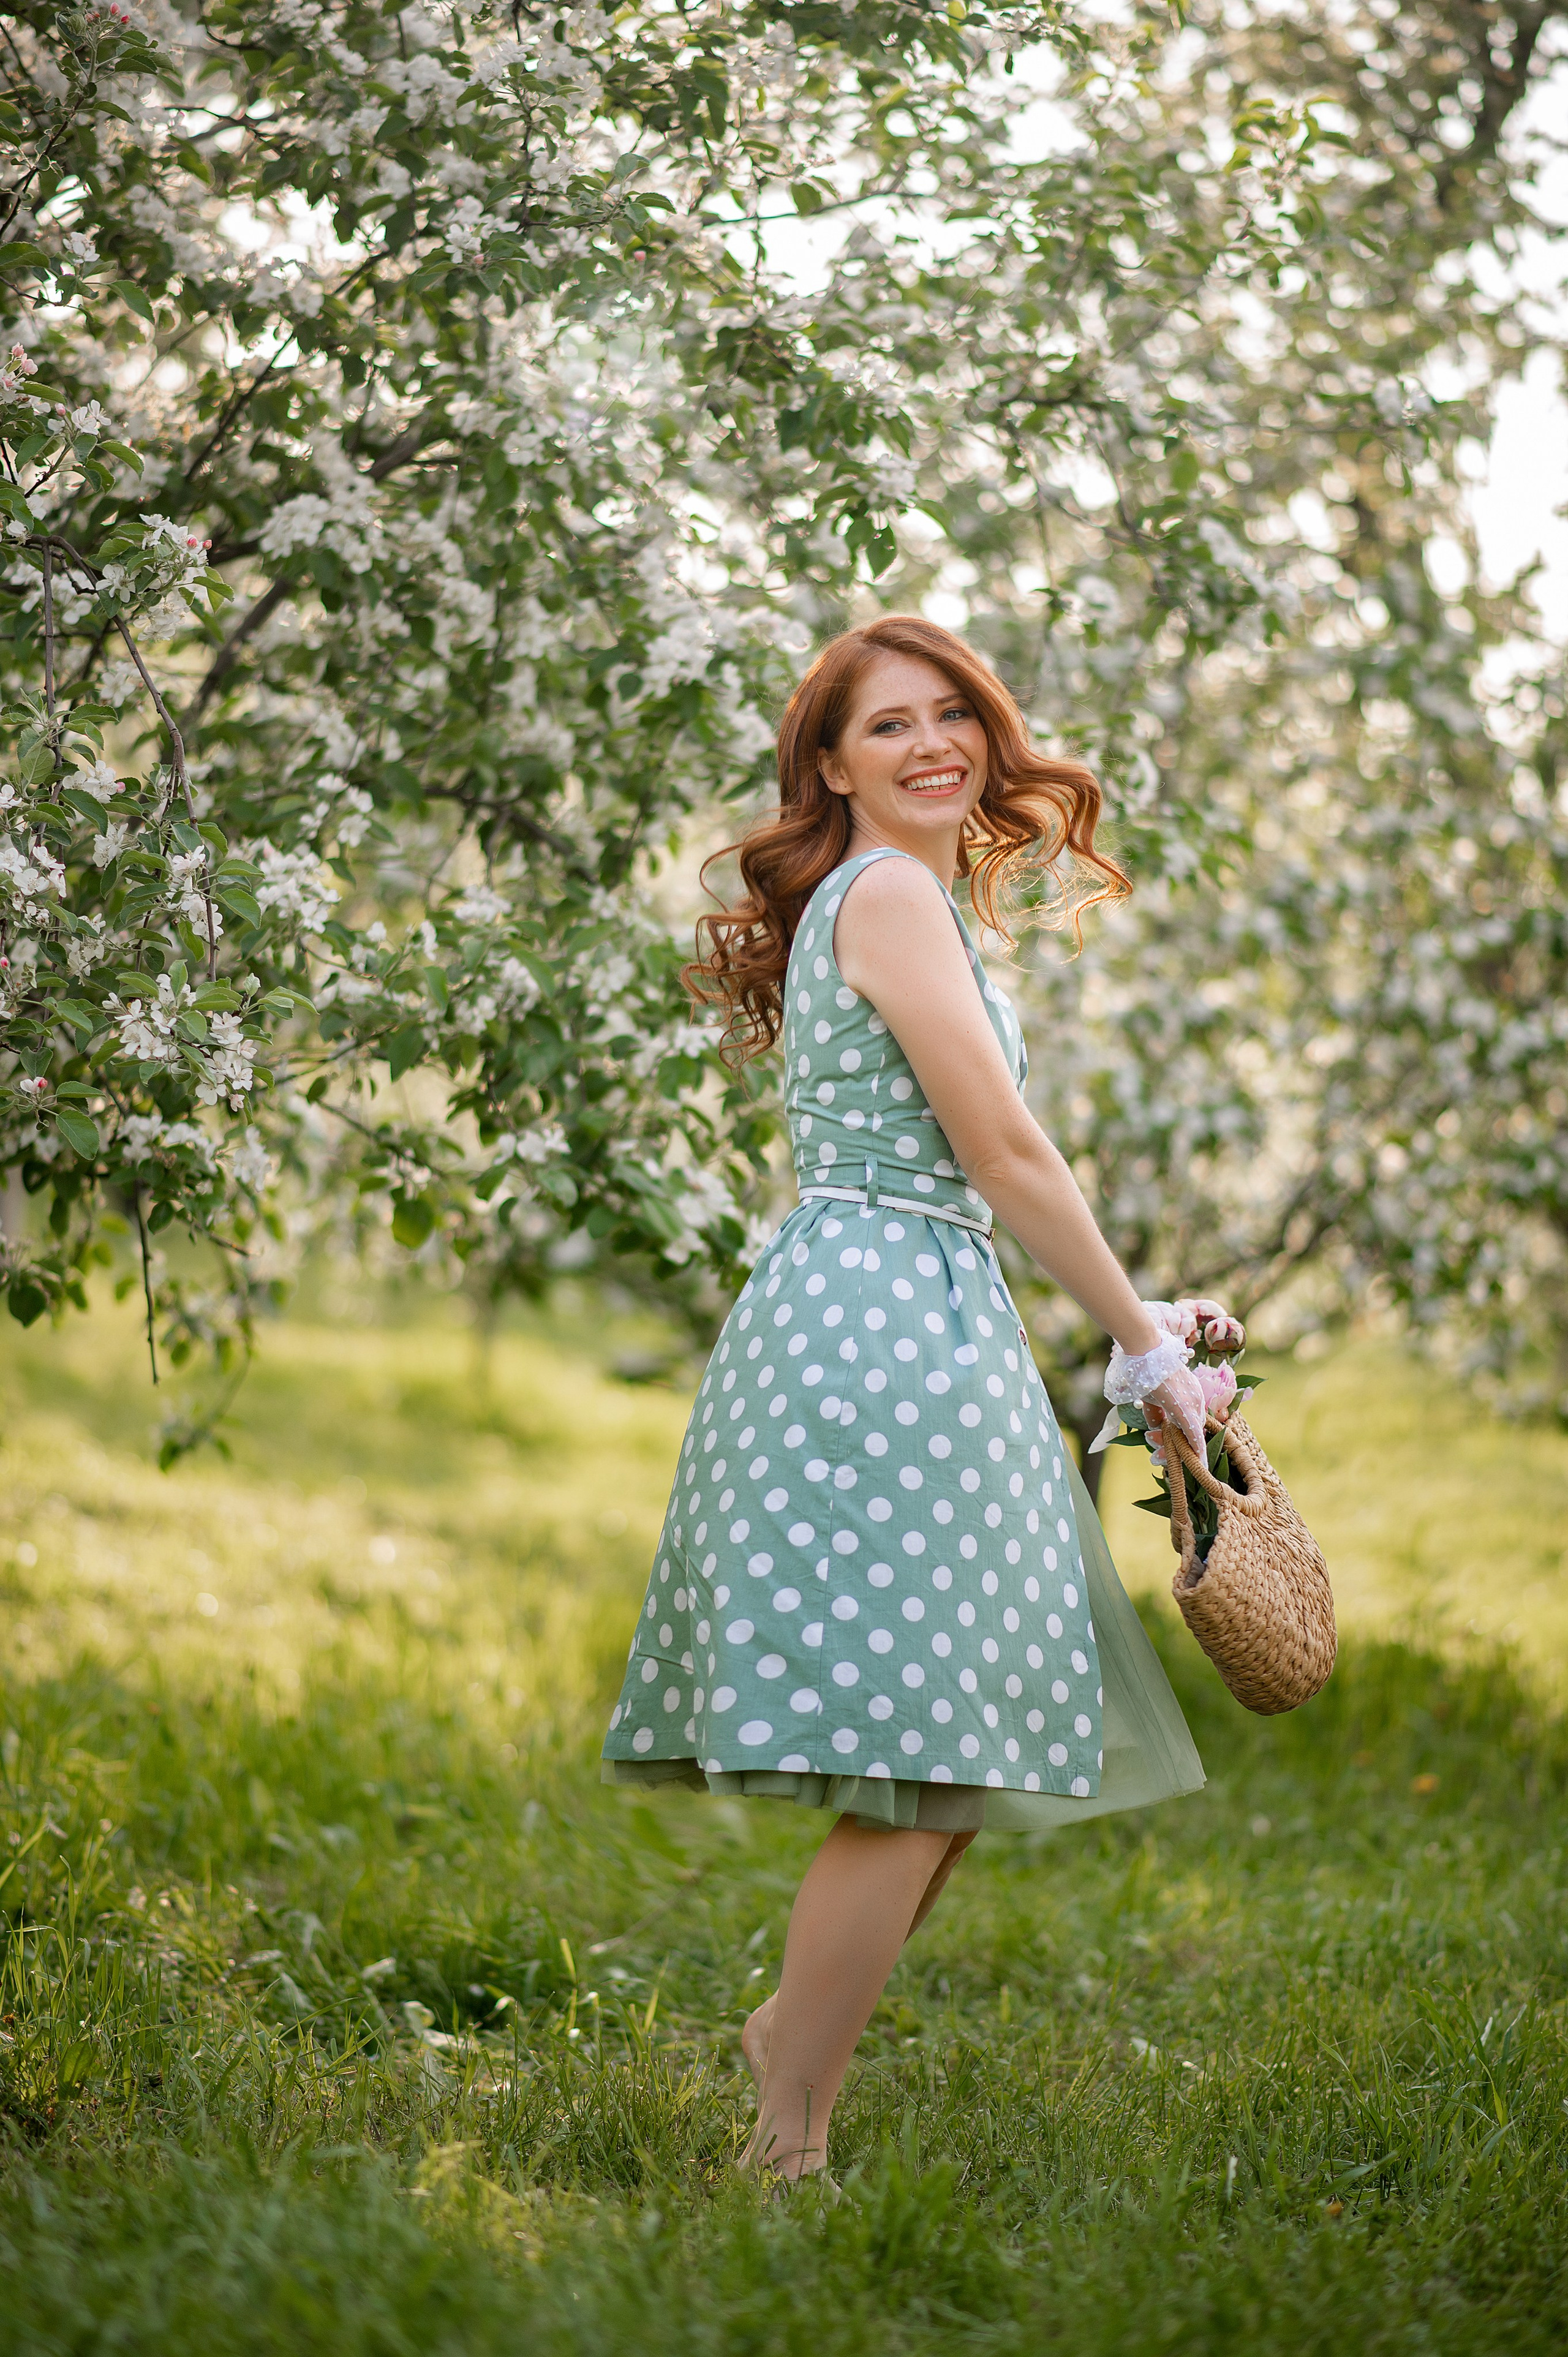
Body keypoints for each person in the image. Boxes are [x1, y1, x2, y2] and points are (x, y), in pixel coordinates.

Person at [602, 615, 1211, 2186]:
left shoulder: (903, 898)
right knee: (927, 1749)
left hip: (909, 1311)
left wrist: (1143, 1316)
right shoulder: (885, 895)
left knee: (956, 1746)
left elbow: (984, 1163)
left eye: (952, 713)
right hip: (882, 1333)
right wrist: (1136, 1344)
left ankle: (787, 2043)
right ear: (829, 763)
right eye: (888, 726)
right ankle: (785, 2133)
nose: (932, 742)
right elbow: (1002, 1151)